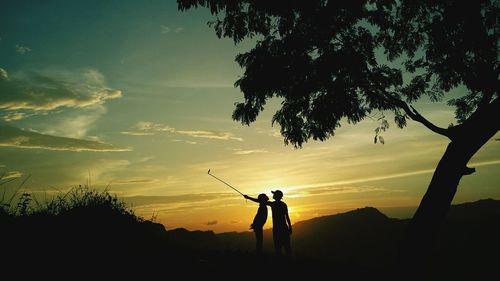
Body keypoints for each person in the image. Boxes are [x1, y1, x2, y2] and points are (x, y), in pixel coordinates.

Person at [245, 189, 292, 257]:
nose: (273, 195)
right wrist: (290, 228)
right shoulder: (283, 204)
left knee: (278, 248)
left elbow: (260, 201)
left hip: (276, 229)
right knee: (287, 248)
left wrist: (248, 197)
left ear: (276, 196)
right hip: (284, 227)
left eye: (274, 194)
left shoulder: (273, 204)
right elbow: (287, 217)